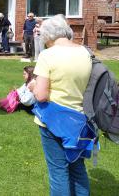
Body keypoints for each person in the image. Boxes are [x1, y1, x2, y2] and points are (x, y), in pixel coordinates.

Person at [29, 14, 93, 196]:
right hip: (80, 121)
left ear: (48, 36)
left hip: (53, 122)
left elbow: (41, 96)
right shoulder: (86, 52)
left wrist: (33, 86)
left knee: (58, 171)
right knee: (77, 169)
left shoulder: (47, 55)